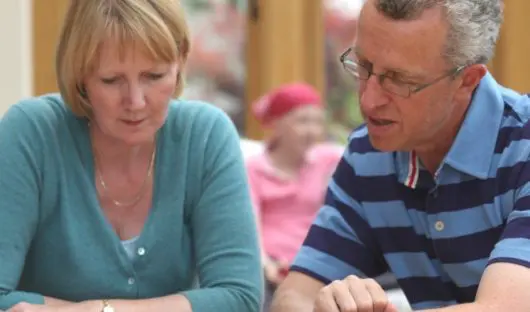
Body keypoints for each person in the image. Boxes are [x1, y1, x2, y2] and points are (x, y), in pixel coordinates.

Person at [0, 1, 262, 311]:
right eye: (111, 80)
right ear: (80, 74)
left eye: (154, 76)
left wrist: (99, 311)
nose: (136, 101)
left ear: (180, 59)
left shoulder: (205, 135)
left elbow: (240, 298)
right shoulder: (32, 132)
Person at [271, 0, 530, 312]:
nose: (368, 101)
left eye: (400, 80)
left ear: (467, 80)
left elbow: (508, 307)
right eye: (363, 65)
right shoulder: (367, 155)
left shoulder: (523, 145)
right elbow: (293, 296)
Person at [246, 83, 343, 310]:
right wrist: (265, 263)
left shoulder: (327, 159)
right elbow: (250, 223)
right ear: (277, 125)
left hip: (319, 263)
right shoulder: (253, 169)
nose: (312, 130)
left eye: (317, 121)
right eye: (302, 121)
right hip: (272, 267)